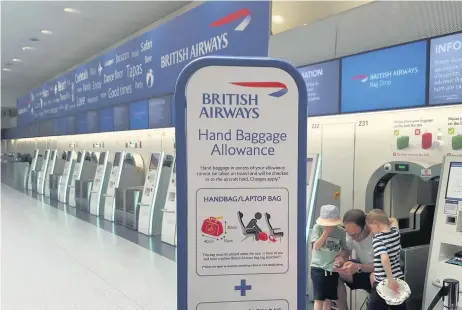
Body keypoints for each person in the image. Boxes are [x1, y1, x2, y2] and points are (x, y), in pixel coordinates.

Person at [335, 209, 398, 310]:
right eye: (349, 234)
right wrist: (341, 259)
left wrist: (359, 267)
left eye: (355, 235)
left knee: (374, 276)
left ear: (365, 227)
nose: (352, 238)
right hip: (363, 268)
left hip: (383, 273)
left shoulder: (379, 235)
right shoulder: (351, 235)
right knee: (335, 272)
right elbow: (346, 250)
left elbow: (393, 220)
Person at [366, 209, 406, 310]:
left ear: (376, 223)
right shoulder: (395, 233)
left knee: (374, 307)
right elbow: (394, 220)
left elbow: (384, 258)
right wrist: (382, 218)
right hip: (399, 278)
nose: (371, 232)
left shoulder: (378, 239)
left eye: (370, 228)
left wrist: (390, 279)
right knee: (399, 305)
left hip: (383, 282)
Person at [311, 205, 348, 310]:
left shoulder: (341, 231)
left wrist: (340, 257)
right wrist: (325, 233)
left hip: (333, 268)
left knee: (329, 299)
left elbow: (345, 248)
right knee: (319, 298)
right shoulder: (317, 228)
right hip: (318, 268)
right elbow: (315, 247)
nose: (330, 226)